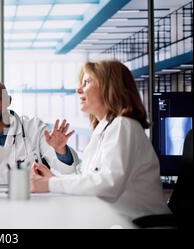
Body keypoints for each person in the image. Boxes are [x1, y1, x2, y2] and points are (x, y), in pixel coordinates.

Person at [31, 60, 171, 219]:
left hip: (137, 222)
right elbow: (86, 177)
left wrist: (50, 184)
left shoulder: (124, 125)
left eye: (86, 82)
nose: (78, 89)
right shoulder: (105, 128)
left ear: (110, 88)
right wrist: (52, 178)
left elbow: (108, 184)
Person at [0, 79, 79, 185]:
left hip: (30, 198)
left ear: (8, 101)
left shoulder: (34, 127)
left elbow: (67, 171)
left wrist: (60, 150)